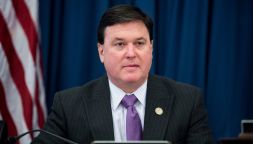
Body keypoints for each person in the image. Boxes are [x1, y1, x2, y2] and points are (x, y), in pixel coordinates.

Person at [32, 4, 213, 144]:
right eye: (120, 44)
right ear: (101, 52)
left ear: (151, 48)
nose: (131, 53)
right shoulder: (69, 105)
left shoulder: (188, 101)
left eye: (139, 43)